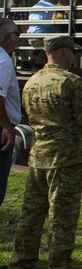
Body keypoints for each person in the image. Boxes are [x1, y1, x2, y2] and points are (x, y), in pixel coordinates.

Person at [12, 35, 82, 269]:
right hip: (65, 157)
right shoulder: (71, 82)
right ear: (64, 52)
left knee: (32, 211)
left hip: (38, 154)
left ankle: (22, 264)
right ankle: (59, 266)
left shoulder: (32, 81)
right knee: (63, 212)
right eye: (72, 52)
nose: (74, 57)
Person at [0, 18, 22, 207]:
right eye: (17, 34)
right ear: (8, 37)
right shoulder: (3, 60)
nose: (18, 39)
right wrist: (7, 126)